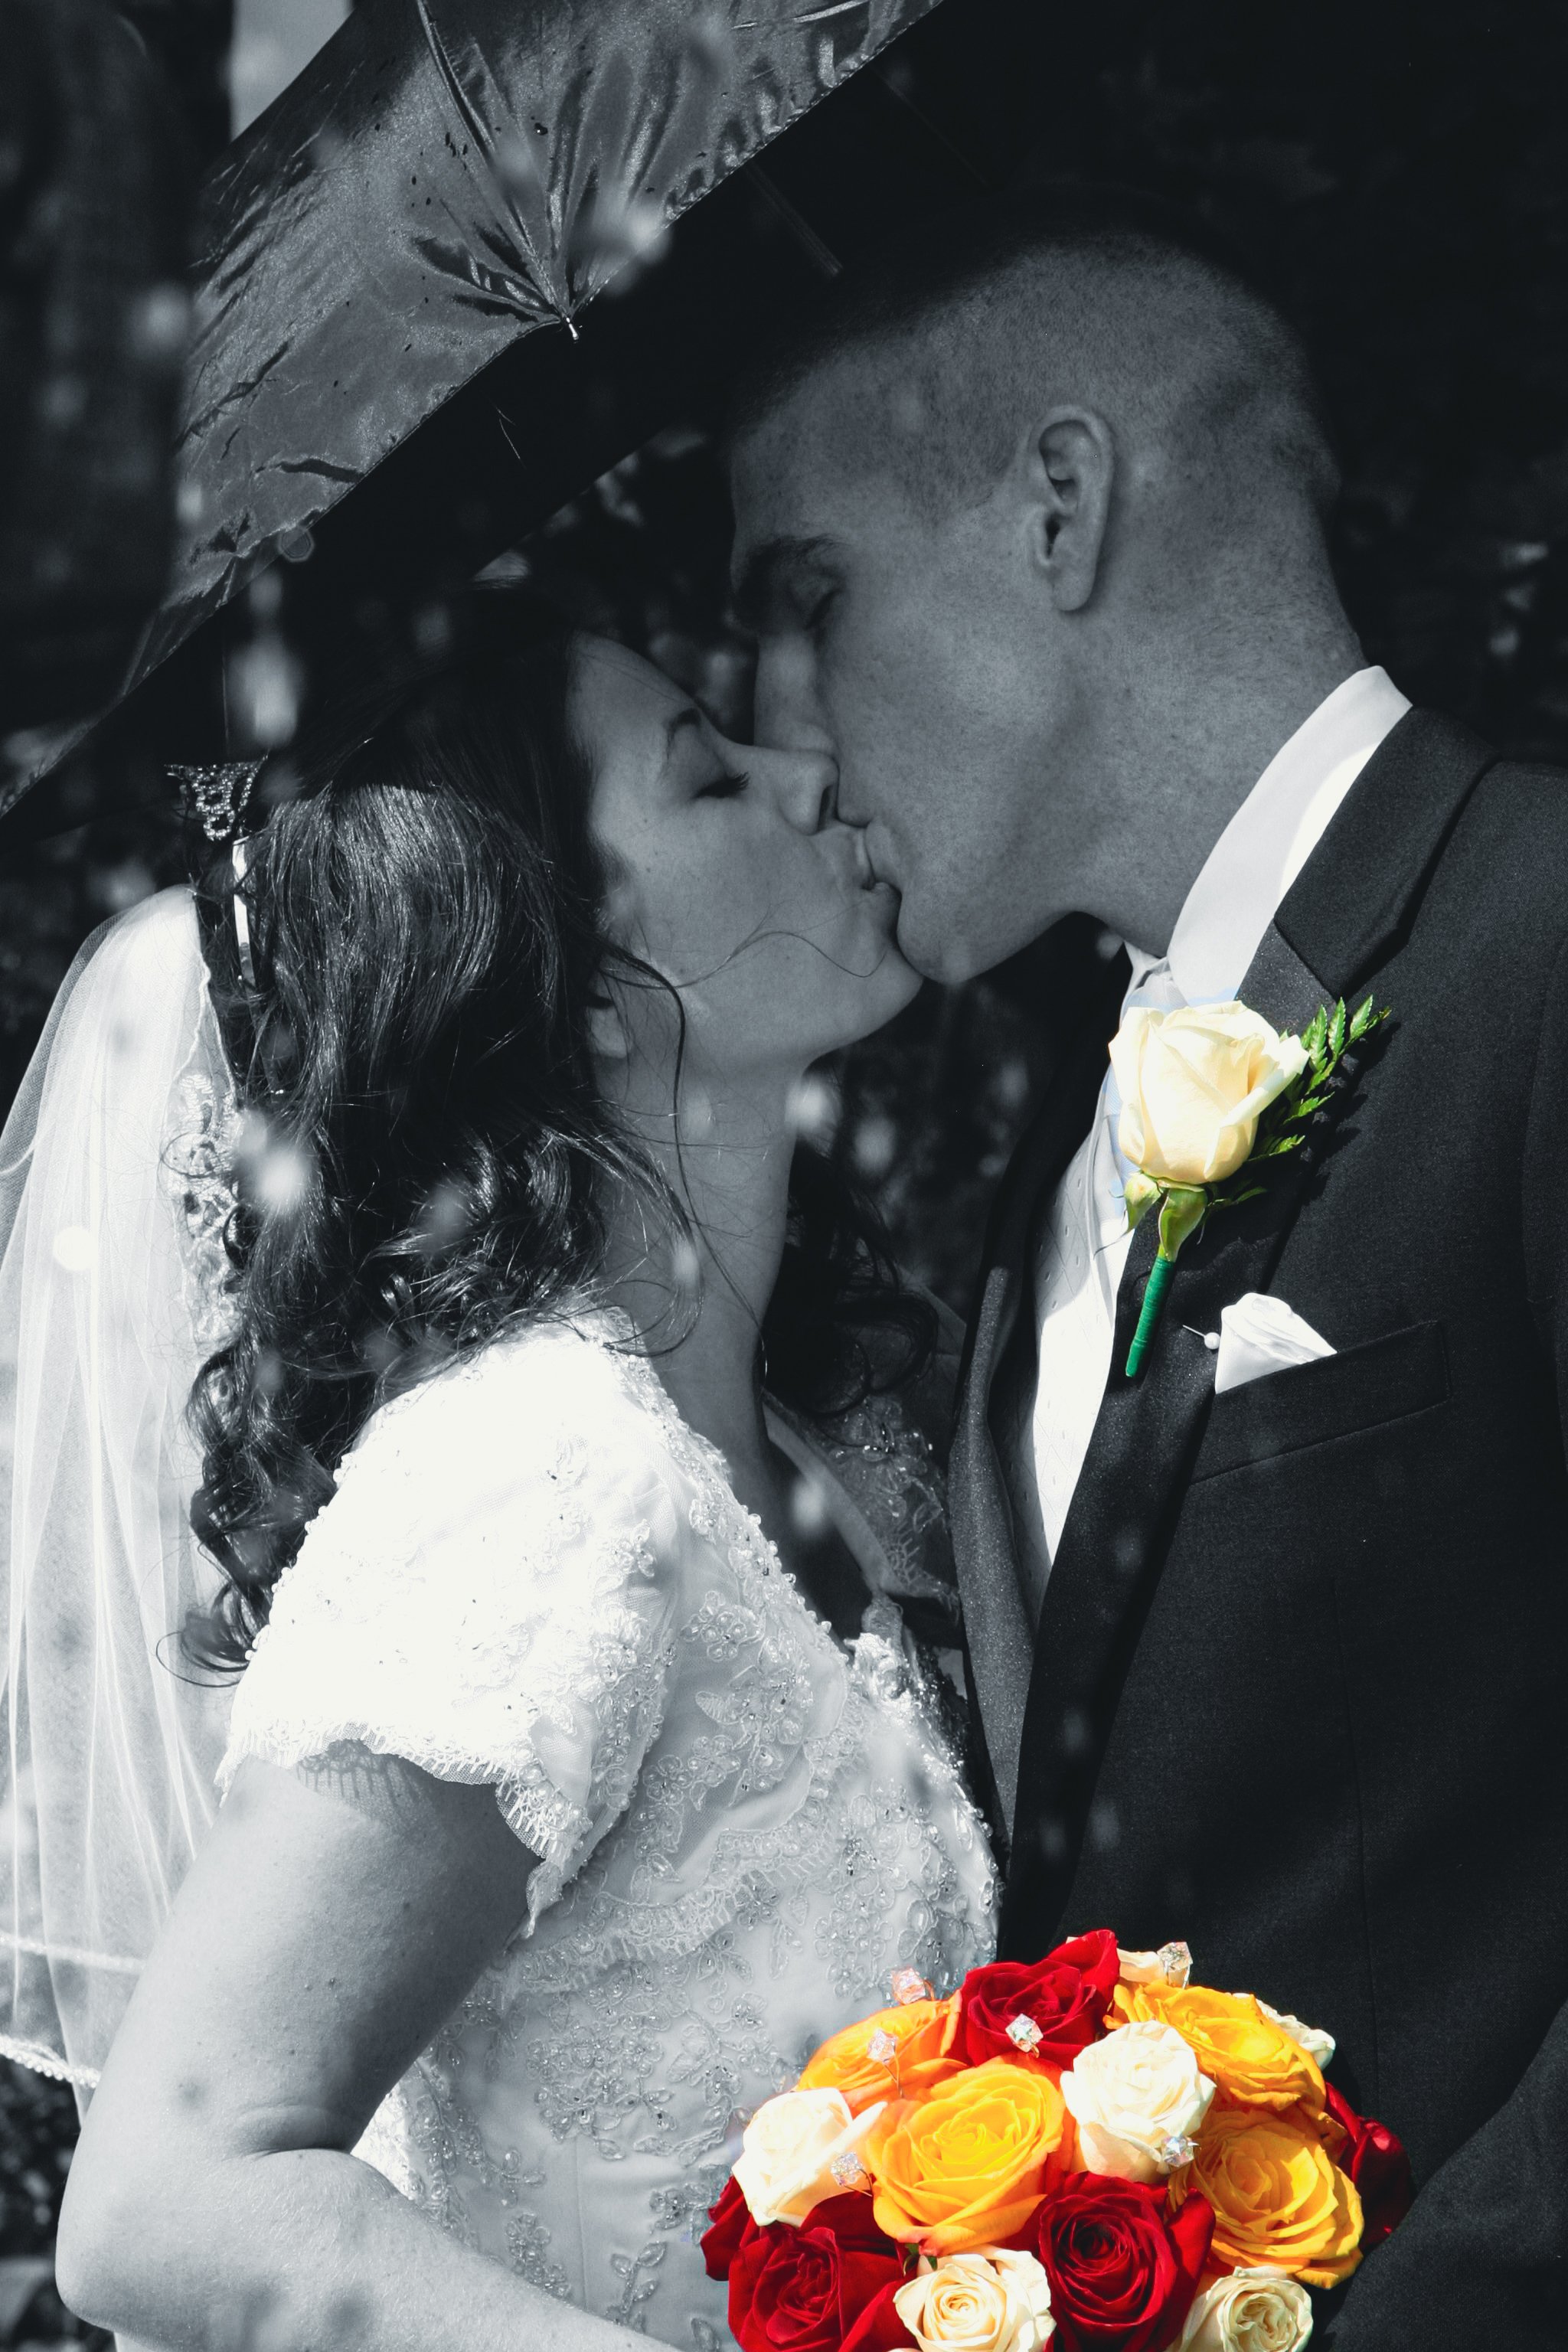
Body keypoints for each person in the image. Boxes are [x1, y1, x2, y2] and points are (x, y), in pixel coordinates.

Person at [727, 185, 1568, 2344]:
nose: (782, 723)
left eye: (807, 592)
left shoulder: (1543, 942)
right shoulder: (1048, 1161)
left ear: (1058, 512)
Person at [7, 600, 995, 2350]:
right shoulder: (540, 1484)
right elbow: (164, 2201)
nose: (802, 771)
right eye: (708, 773)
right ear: (593, 986)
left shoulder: (834, 1440)